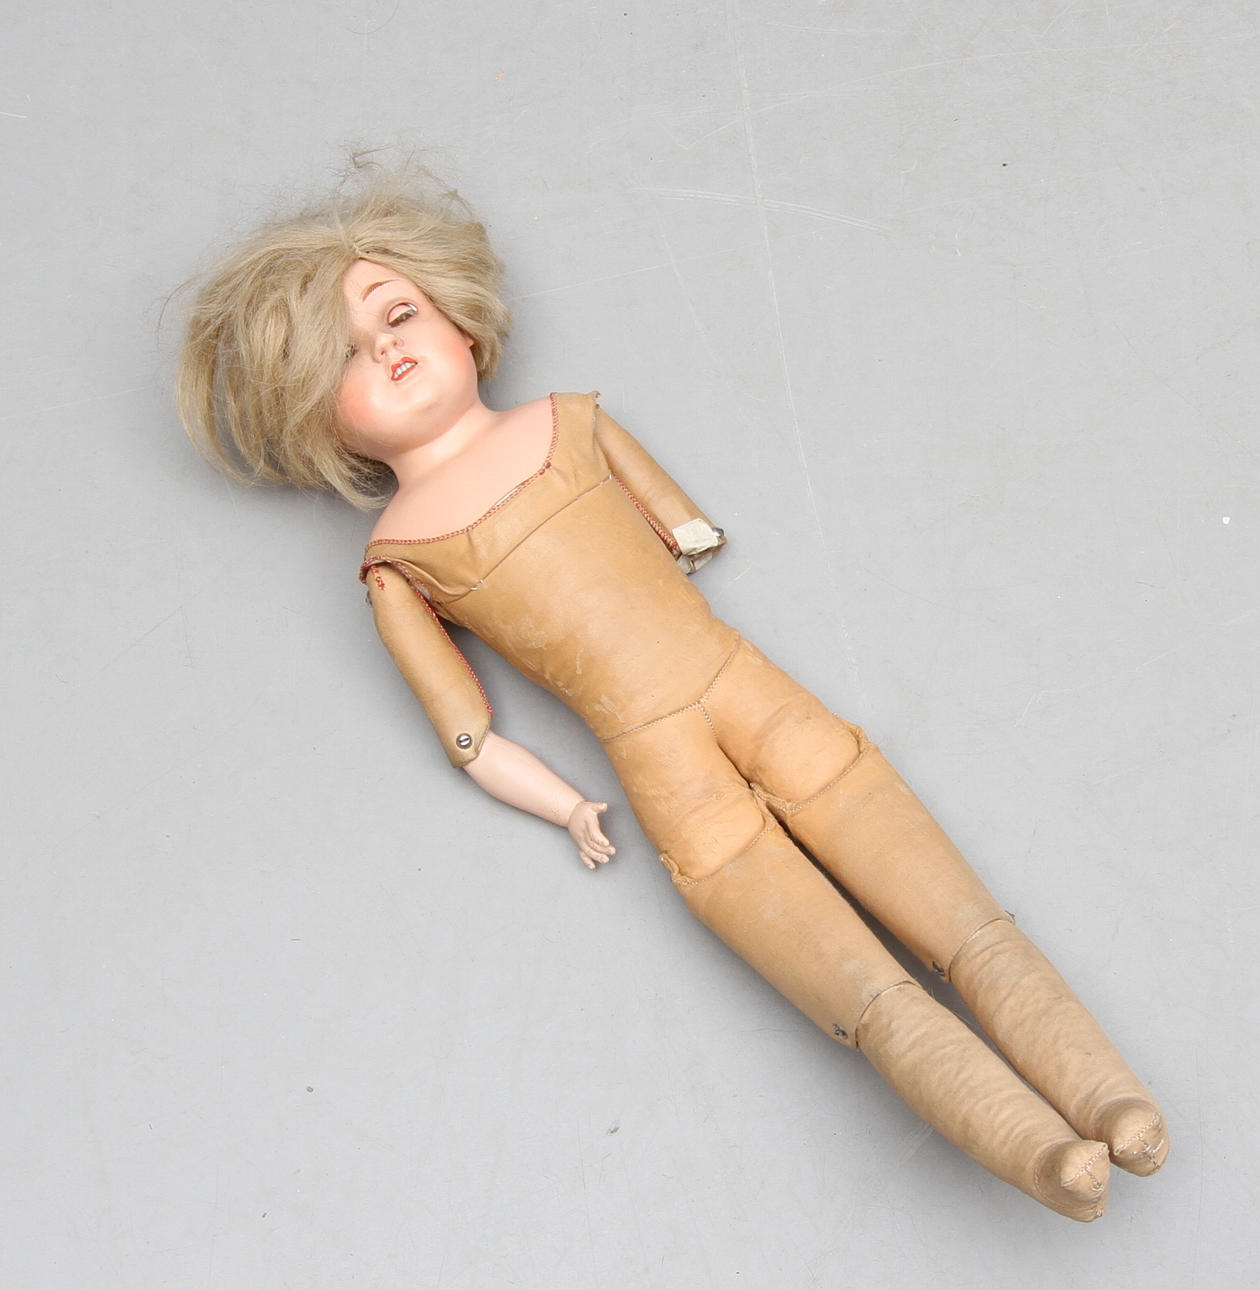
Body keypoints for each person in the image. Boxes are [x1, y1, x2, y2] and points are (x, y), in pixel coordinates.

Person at [176, 166, 1168, 1220]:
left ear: (456, 313)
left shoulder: (571, 423)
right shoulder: (399, 562)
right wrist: (567, 806)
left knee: (958, 916)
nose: (385, 348)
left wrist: (680, 545)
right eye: (341, 356)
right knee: (859, 991)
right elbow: (469, 738)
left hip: (756, 692)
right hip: (663, 773)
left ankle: (1112, 1100)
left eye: (397, 312)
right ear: (317, 421)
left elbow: (682, 529)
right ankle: (1043, 1156)